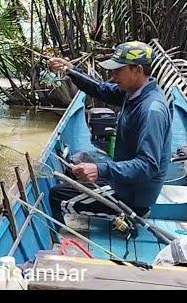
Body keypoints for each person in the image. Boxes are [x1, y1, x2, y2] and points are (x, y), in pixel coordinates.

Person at [47, 41, 172, 221]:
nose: (113, 75)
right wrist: (71, 70)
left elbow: (148, 165)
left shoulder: (151, 110)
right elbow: (101, 89)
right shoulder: (134, 92)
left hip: (133, 195)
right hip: (124, 181)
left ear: (137, 70)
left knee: (56, 195)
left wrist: (101, 169)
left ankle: (133, 215)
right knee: (72, 173)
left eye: (118, 70)